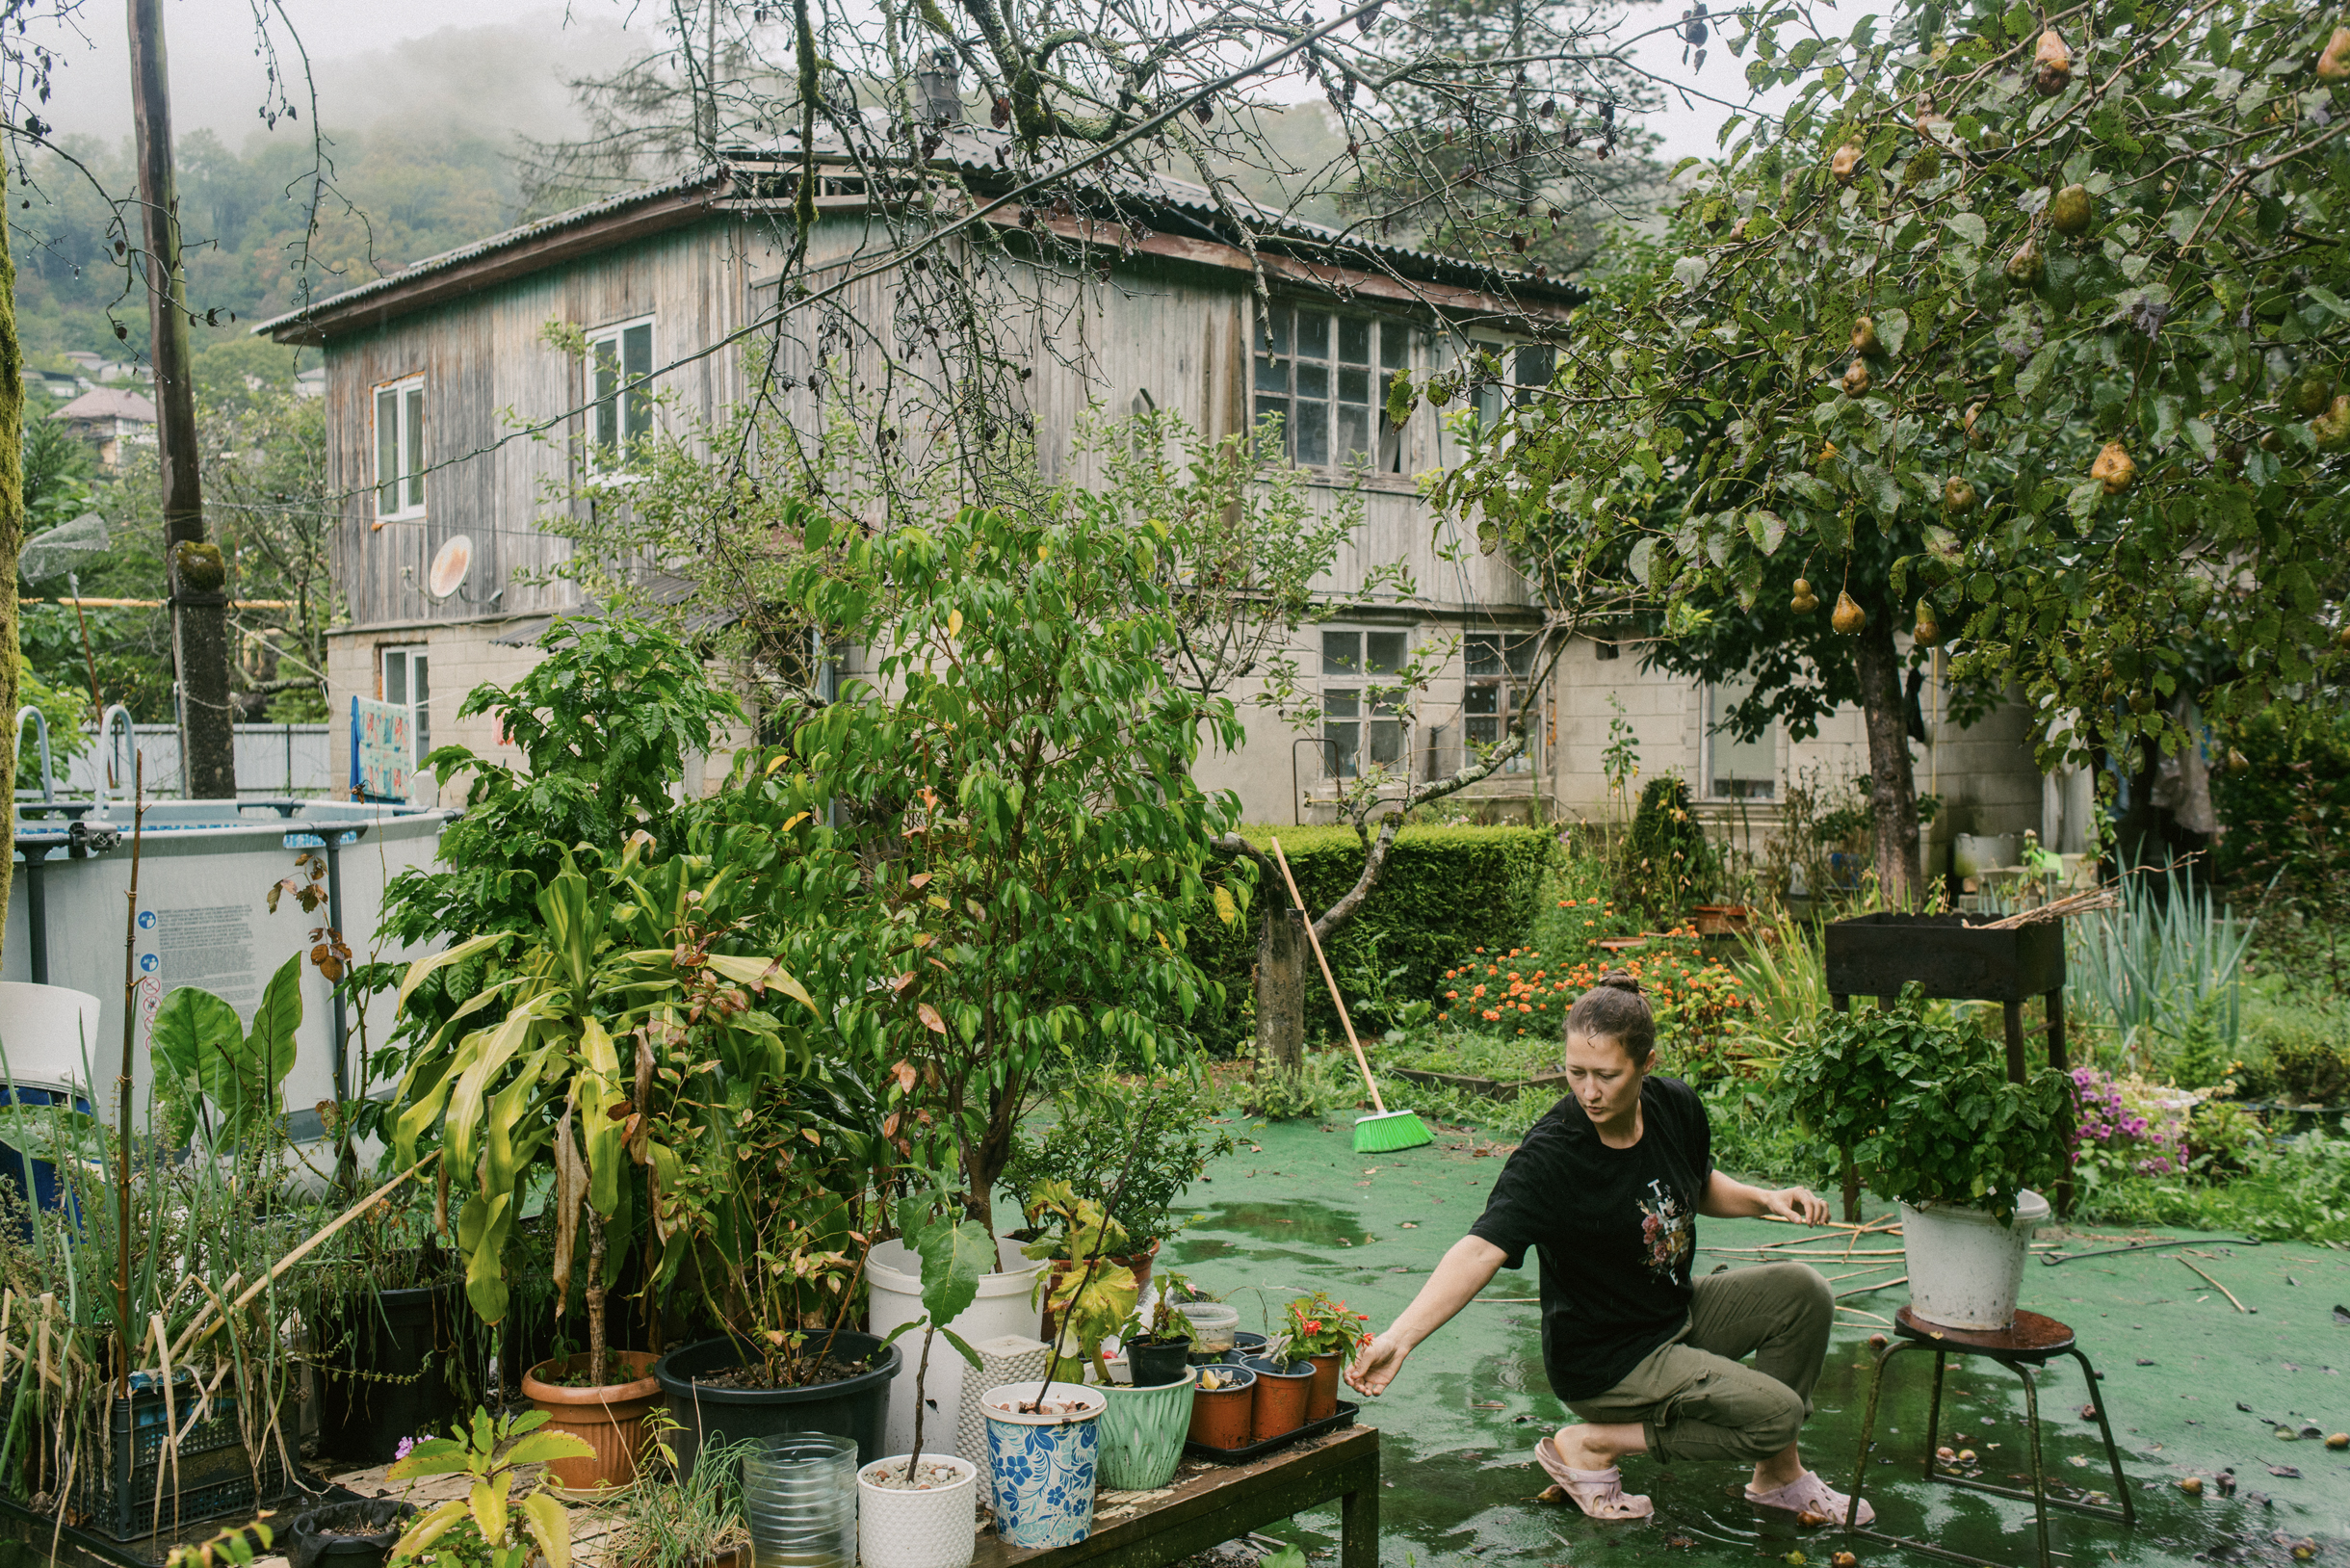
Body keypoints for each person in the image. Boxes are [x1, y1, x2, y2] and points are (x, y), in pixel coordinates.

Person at [1345, 972, 1871, 1526]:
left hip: (1672, 1313)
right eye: (1575, 1074)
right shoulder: (1553, 1156)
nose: (1589, 1092)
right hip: (1608, 1361)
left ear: (1646, 1064)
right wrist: (1400, 1338)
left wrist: (1765, 1198)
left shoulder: (1675, 1106)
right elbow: (1481, 1249)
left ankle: (1778, 1478)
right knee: (1777, 1417)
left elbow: (1695, 1183)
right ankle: (1594, 1443)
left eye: (1607, 1075)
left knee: (1802, 1293)